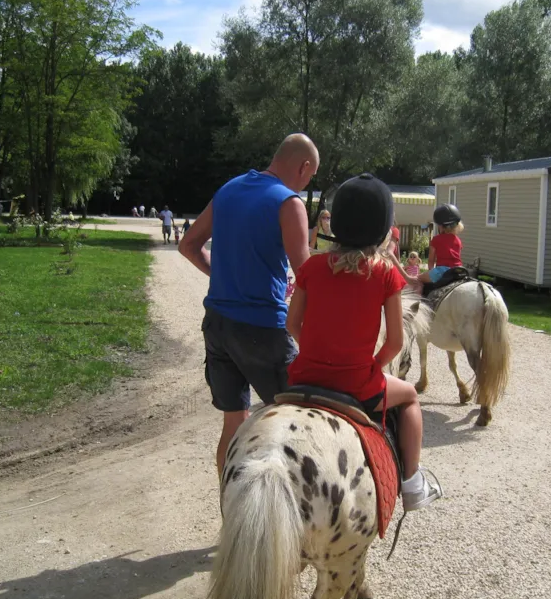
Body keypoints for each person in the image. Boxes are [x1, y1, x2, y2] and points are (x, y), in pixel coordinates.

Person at [286, 173, 443, 512]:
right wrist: (369, 366)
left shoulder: (312, 267)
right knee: (412, 397)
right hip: (358, 382)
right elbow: (395, 343)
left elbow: (291, 323)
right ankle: (413, 484)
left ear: (338, 222)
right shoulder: (386, 273)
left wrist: (314, 351)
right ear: (381, 227)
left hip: (304, 377)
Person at [179, 133, 317, 476]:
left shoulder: (229, 189)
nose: (304, 186)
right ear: (304, 167)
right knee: (298, 418)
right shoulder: (289, 203)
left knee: (234, 424)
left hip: (217, 324)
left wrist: (223, 275)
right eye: (309, 178)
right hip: (262, 330)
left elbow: (188, 245)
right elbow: (307, 276)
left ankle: (230, 500)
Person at [407, 203, 464, 287]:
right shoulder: (458, 240)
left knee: (417, 279)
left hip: (442, 271)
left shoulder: (436, 239)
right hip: (458, 270)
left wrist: (431, 271)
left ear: (441, 226)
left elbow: (431, 260)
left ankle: (419, 298)